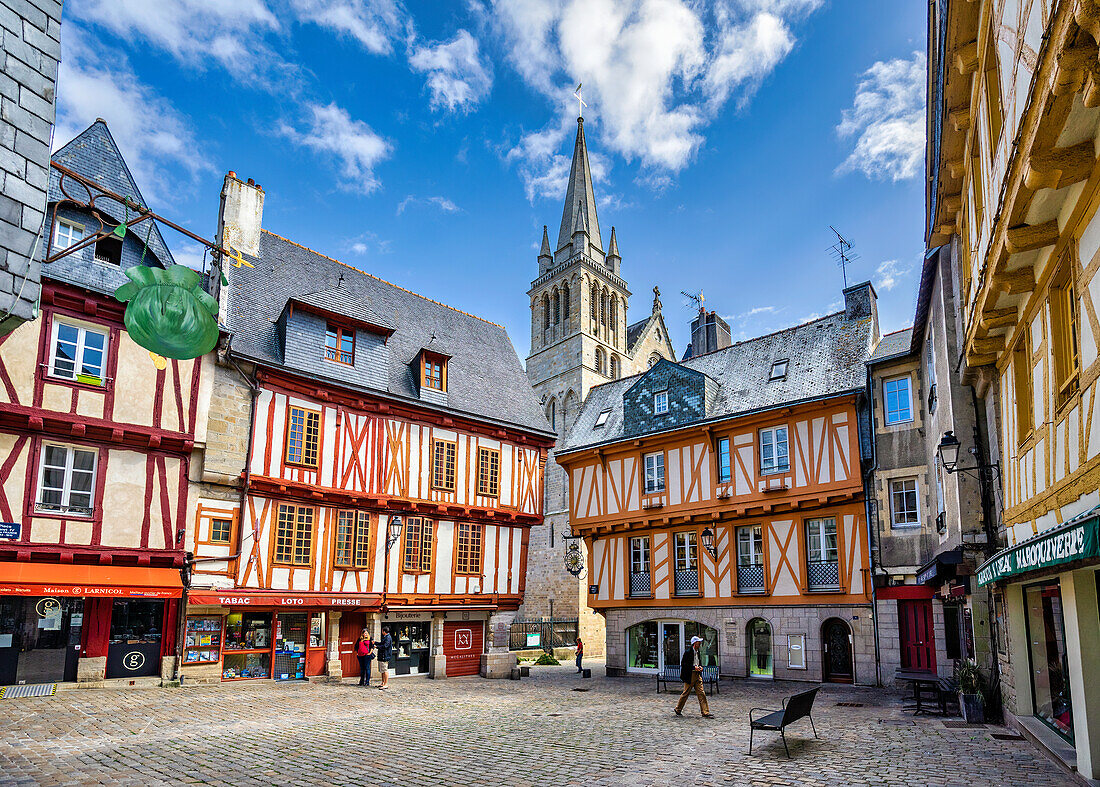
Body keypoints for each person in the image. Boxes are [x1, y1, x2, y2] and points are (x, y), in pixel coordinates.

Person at [675, 635, 713, 718]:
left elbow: (697, 662)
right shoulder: (688, 652)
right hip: (690, 675)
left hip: (697, 674)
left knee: (701, 693)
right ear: (695, 643)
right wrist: (693, 667)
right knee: (686, 693)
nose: (700, 644)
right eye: (699, 643)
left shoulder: (697, 652)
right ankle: (678, 709)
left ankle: (705, 712)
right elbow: (684, 664)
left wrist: (700, 667)